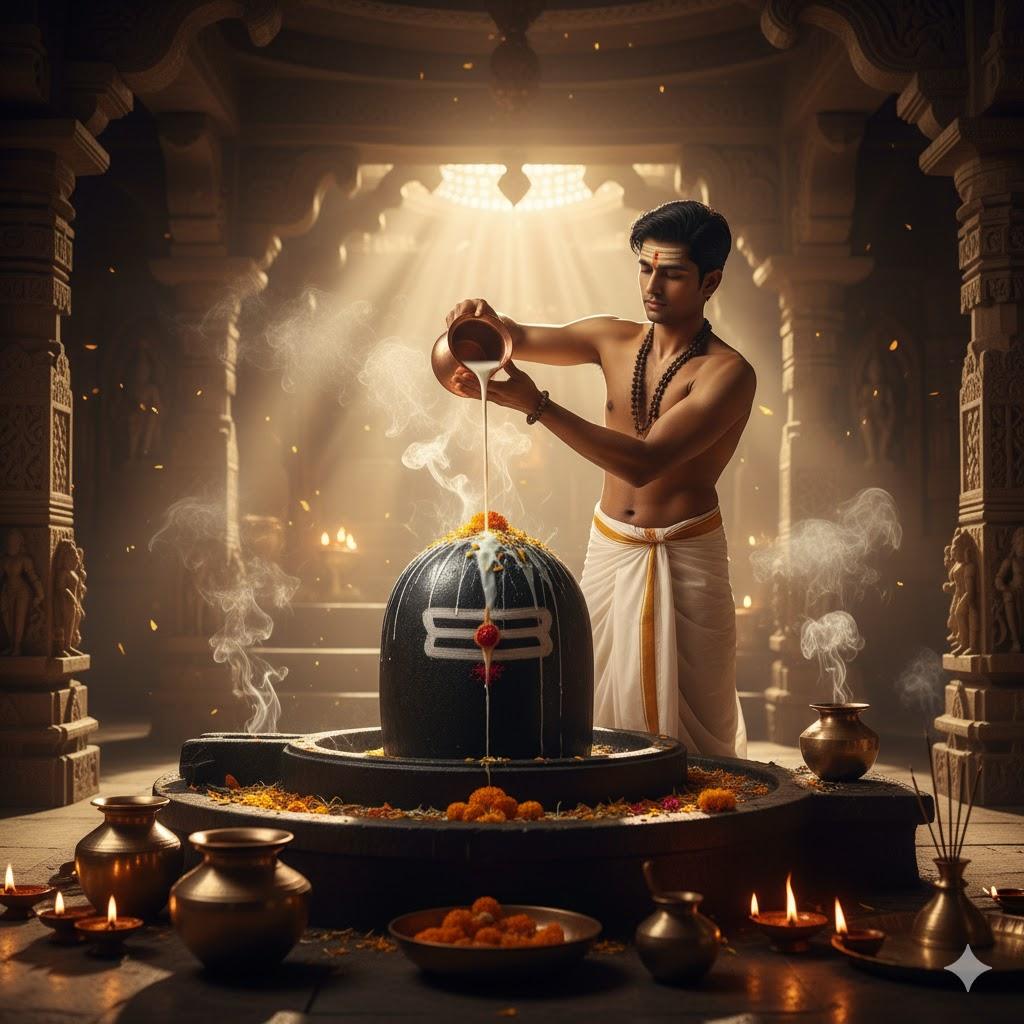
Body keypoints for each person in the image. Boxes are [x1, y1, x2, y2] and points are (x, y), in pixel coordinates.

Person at [445, 200, 753, 758]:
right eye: (645, 267)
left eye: (672, 273)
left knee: (696, 742)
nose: (652, 284)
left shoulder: (728, 374)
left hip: (685, 556)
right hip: (609, 547)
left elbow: (643, 462)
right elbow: (516, 336)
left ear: (711, 281)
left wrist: (536, 404)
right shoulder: (612, 339)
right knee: (590, 704)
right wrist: (482, 321)